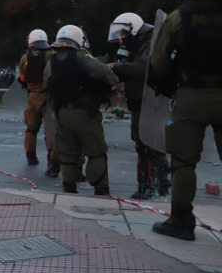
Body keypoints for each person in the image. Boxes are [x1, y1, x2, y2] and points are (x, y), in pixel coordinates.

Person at [149, 0, 222, 241]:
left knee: (183, 162)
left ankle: (181, 221)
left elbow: (159, 63)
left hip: (192, 95)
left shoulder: (179, 17)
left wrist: (168, 87)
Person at [46, 25, 118, 195]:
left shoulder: (52, 60)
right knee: (96, 151)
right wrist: (114, 78)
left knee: (68, 153)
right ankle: (101, 189)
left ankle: (68, 187)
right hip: (84, 113)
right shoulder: (81, 56)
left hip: (62, 113)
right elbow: (102, 72)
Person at [108, 13, 170, 200]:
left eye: (123, 34)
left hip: (151, 103)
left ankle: (156, 188)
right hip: (140, 103)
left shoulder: (150, 43)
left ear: (133, 29)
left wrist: (115, 68)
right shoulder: (138, 44)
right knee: (142, 145)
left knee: (152, 147)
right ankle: (145, 187)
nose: (121, 39)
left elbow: (143, 68)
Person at [18, 29, 55, 173]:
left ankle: (31, 157)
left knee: (31, 129)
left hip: (32, 97)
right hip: (48, 98)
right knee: (50, 131)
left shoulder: (24, 58)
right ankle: (52, 164)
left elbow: (22, 79)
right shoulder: (52, 56)